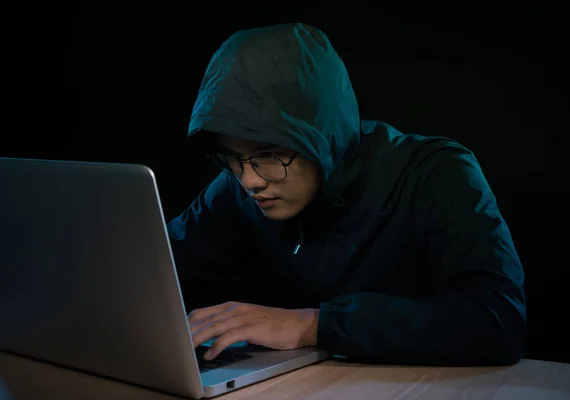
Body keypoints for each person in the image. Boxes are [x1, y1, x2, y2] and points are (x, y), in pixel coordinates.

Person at [167, 22, 527, 366]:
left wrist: (314, 325)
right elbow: (160, 269)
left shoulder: (436, 172)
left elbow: (497, 319)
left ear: (321, 135)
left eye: (270, 154)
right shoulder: (237, 187)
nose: (249, 181)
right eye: (232, 157)